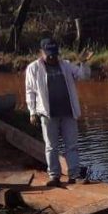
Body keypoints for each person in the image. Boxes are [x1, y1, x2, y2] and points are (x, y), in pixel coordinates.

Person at [25, 38, 92, 187]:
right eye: (48, 54)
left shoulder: (66, 65)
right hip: (48, 114)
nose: (52, 57)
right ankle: (54, 176)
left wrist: (84, 62)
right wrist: (32, 112)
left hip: (68, 112)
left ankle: (74, 175)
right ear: (41, 52)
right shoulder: (33, 68)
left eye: (54, 54)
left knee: (72, 145)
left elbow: (83, 76)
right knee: (51, 146)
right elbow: (30, 91)